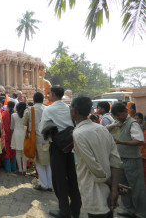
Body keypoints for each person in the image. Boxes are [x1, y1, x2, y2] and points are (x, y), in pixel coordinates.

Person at [71, 96, 122, 218]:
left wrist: (112, 185)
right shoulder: (102, 129)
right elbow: (116, 160)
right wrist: (114, 188)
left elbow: (94, 167)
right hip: (108, 191)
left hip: (93, 189)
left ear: (74, 111)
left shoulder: (78, 134)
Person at [39, 86, 81, 218]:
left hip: (57, 146)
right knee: (72, 176)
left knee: (59, 179)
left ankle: (64, 210)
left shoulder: (49, 109)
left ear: (54, 95)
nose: (48, 95)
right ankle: (75, 208)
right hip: (71, 144)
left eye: (49, 93)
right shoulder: (68, 108)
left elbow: (42, 129)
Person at [109, 103, 146, 218]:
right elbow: (104, 129)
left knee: (137, 187)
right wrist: (116, 124)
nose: (117, 118)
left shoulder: (133, 123)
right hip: (121, 160)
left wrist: (121, 142)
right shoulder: (120, 123)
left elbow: (140, 141)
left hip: (132, 160)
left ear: (125, 112)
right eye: (115, 116)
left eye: (119, 115)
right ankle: (128, 209)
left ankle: (141, 212)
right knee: (123, 186)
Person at [24, 92, 52, 191]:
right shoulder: (48, 109)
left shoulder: (30, 110)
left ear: (34, 100)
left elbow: (24, 123)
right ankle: (50, 185)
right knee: (48, 163)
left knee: (39, 163)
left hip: (36, 139)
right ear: (43, 99)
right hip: (48, 139)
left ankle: (44, 185)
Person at [11, 102, 28, 175]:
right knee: (24, 153)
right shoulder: (27, 115)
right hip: (25, 134)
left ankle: (20, 170)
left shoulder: (13, 115)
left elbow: (11, 127)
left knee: (18, 152)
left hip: (16, 134)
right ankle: (24, 169)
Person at [2, 101, 16, 172]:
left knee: (7, 151)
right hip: (13, 135)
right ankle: (13, 167)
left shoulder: (4, 113)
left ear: (7, 106)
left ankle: (8, 169)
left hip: (6, 135)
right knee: (13, 151)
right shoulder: (15, 113)